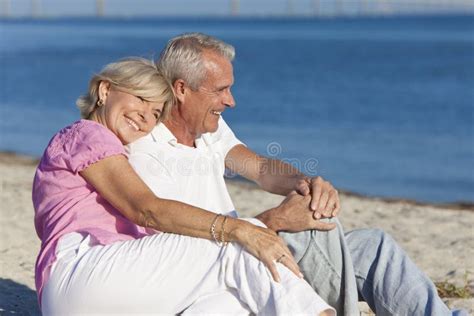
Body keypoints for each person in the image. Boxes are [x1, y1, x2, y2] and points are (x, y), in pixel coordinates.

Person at [127, 33, 465, 315]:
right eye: (220, 90)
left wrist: (305, 184)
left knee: (372, 246)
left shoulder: (206, 128)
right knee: (308, 233)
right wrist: (274, 220)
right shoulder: (146, 153)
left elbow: (260, 168)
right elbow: (183, 253)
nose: (231, 101)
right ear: (182, 89)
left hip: (251, 248)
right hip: (224, 276)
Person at [33, 57, 335, 315]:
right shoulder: (86, 134)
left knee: (231, 300)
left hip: (105, 287)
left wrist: (300, 186)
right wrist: (241, 228)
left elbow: (261, 168)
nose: (144, 115)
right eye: (139, 98)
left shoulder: (115, 151)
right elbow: (146, 209)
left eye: (155, 113)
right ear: (105, 90)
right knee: (237, 244)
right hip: (80, 274)